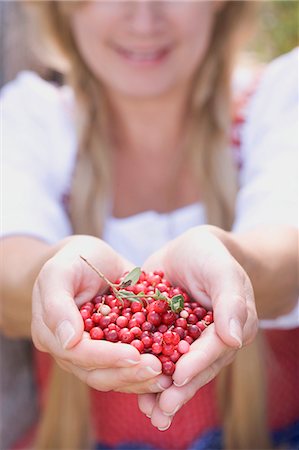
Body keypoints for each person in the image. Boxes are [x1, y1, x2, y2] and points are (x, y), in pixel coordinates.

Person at [0, 1, 298, 449]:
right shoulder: (33, 119)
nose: (143, 19)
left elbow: (287, 257)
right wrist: (56, 272)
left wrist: (232, 269)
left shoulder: (280, 103)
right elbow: (9, 273)